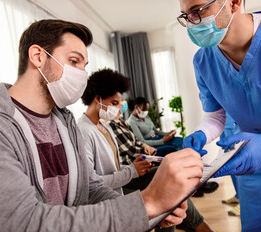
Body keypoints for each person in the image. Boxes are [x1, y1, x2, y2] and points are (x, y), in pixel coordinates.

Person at [0, 19, 205, 231]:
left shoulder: (65, 122)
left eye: (85, 66)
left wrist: (149, 212)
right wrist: (146, 204)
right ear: (38, 56)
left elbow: (90, 189)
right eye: (74, 61)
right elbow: (22, 223)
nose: (82, 74)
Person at [173, 0, 261, 231]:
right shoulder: (203, 61)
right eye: (186, 16)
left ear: (234, 1)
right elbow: (217, 115)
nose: (192, 23)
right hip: (251, 163)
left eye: (198, 11)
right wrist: (202, 134)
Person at [78, 69, 214, 232]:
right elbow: (90, 185)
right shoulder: (84, 131)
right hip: (108, 199)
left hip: (119, 186)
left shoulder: (104, 126)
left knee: (167, 179)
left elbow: (114, 166)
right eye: (114, 103)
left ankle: (196, 205)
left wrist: (134, 167)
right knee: (166, 193)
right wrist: (132, 172)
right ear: (97, 99)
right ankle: (200, 225)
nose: (118, 108)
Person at [220, 113, 240, 216]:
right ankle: (238, 196)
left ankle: (244, 202)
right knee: (230, 164)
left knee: (238, 164)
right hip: (224, 125)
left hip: (233, 126)